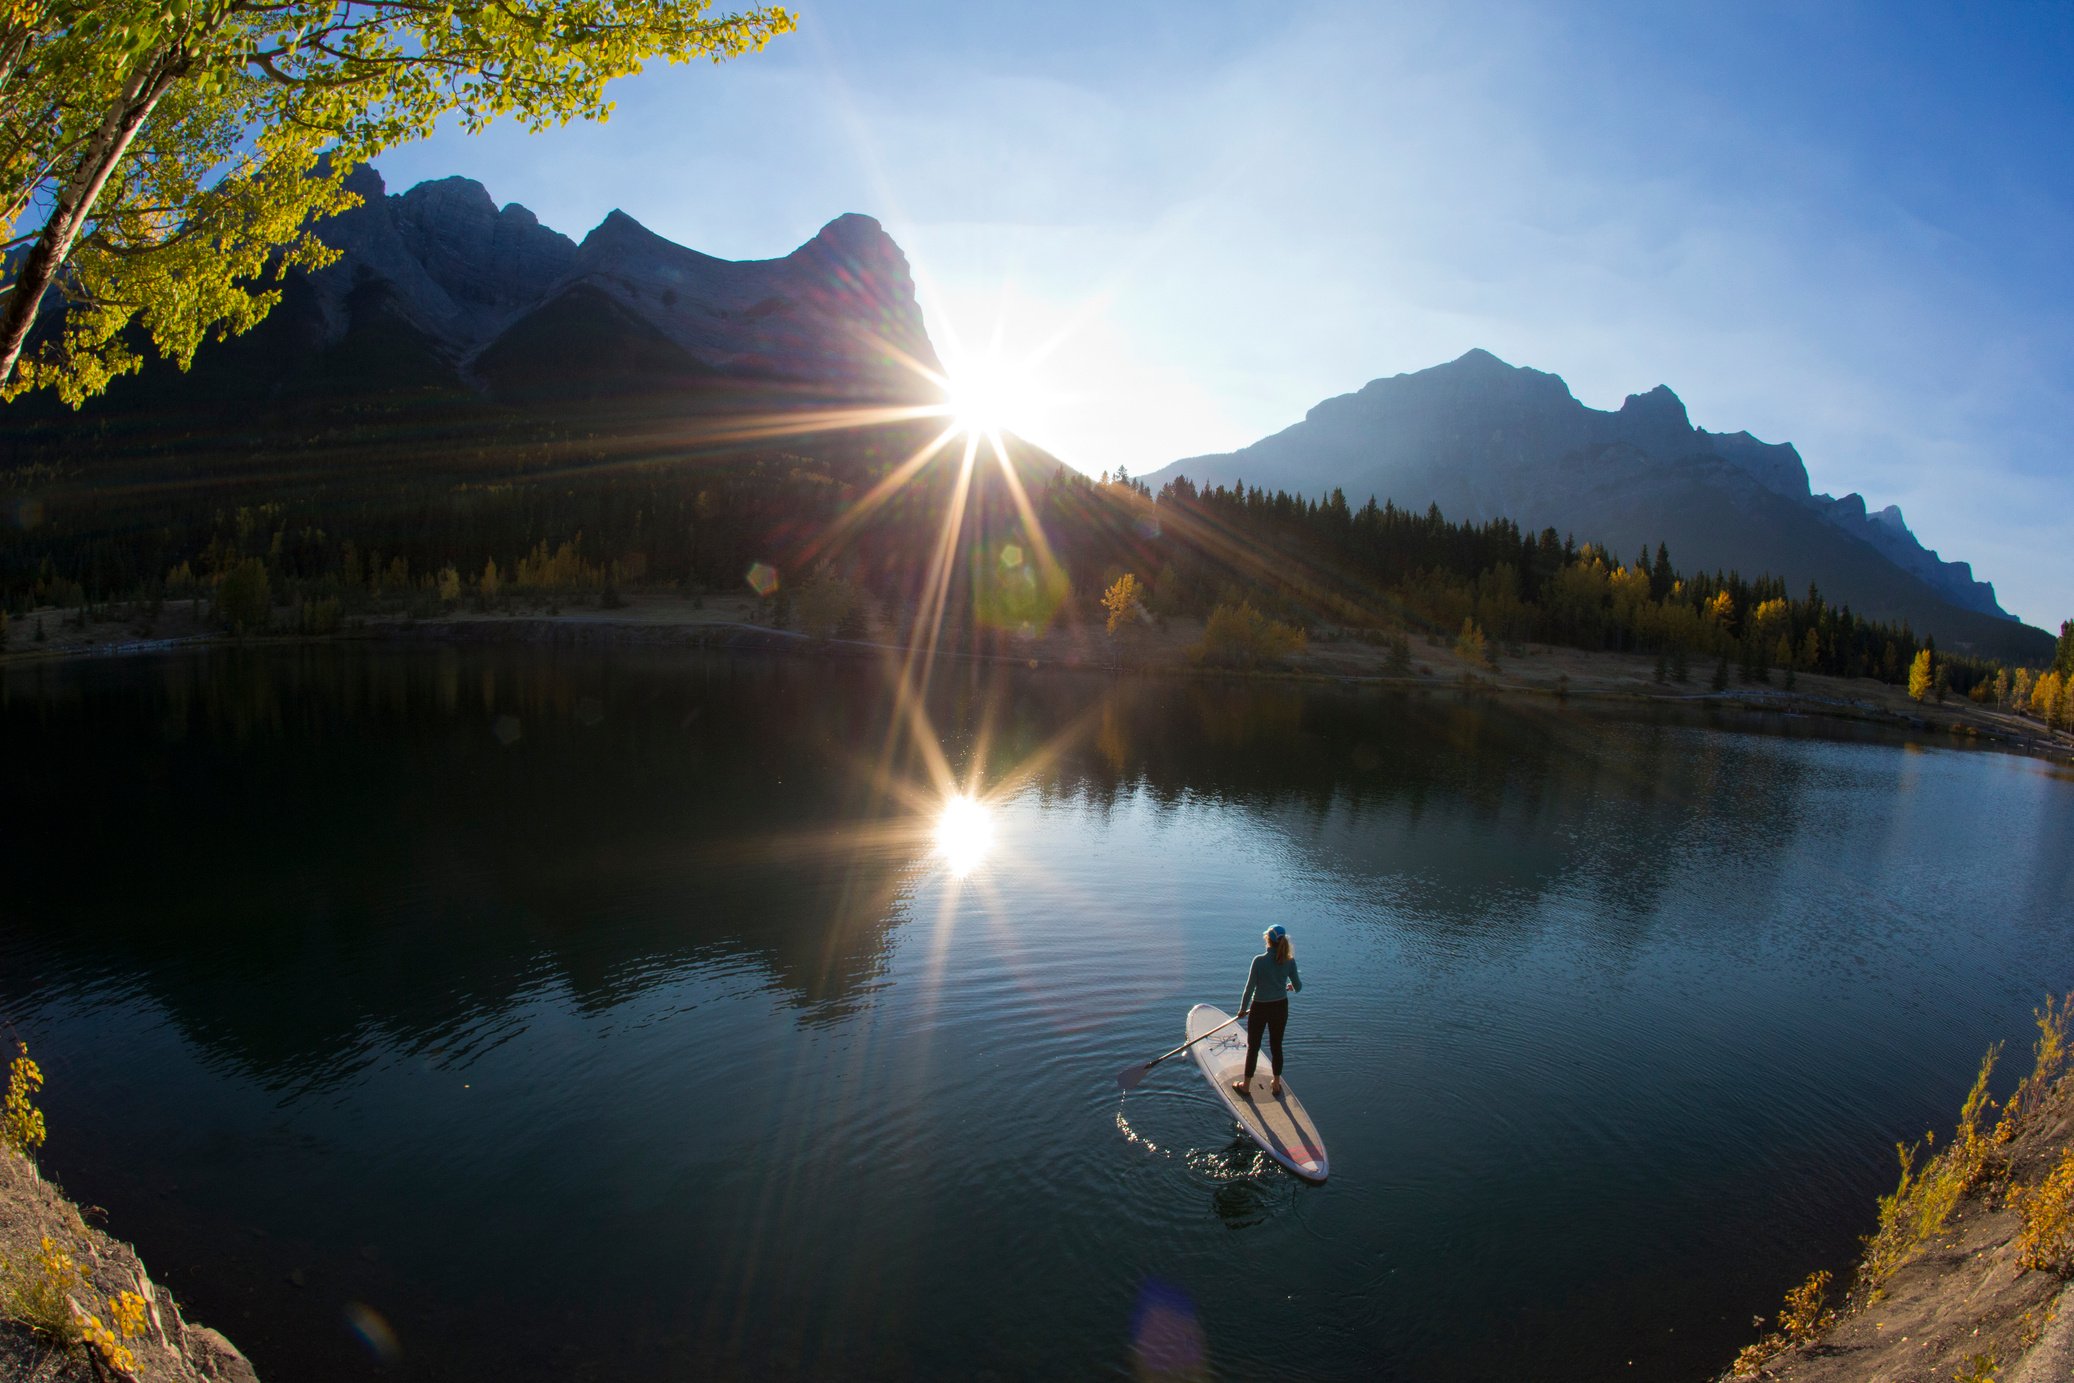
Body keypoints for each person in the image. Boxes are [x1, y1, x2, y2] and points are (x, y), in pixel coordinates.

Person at [1233, 924, 1301, 1099]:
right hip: (1280, 1007)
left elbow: (1249, 989)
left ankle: (1246, 1086)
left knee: (1253, 1047)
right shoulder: (1289, 961)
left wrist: (1242, 1010)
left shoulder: (1259, 961)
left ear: (1268, 940)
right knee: (1276, 1046)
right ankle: (1276, 1084)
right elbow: (1298, 987)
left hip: (1260, 1008)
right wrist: (1289, 986)